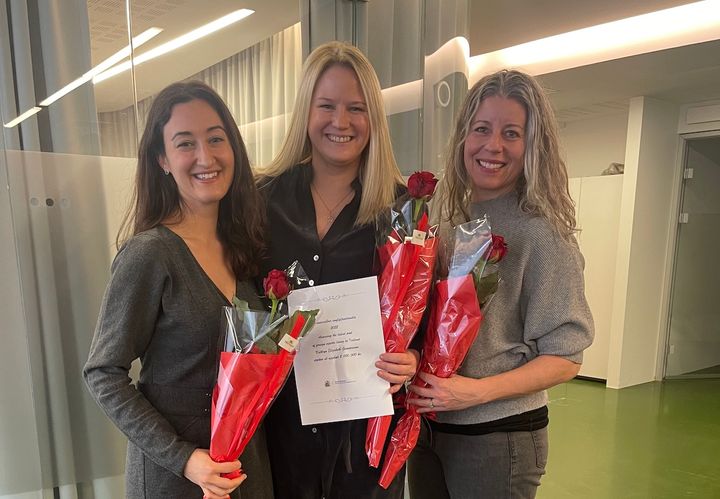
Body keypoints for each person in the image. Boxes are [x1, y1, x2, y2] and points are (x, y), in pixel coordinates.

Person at [407, 69, 594, 499]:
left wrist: (475, 392)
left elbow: (566, 357)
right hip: (429, 427)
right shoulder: (444, 218)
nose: (493, 146)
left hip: (498, 436)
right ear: (463, 138)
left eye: (511, 133)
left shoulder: (541, 232)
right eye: (482, 129)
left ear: (532, 146)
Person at [83, 81, 273, 499]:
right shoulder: (150, 253)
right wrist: (184, 458)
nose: (206, 157)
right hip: (177, 479)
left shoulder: (242, 248)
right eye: (185, 144)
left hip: (244, 471)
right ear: (162, 160)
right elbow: (103, 373)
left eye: (216, 139)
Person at [256, 41, 416, 499]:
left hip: (363, 435)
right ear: (306, 111)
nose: (340, 122)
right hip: (280, 425)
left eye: (356, 108)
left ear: (374, 119)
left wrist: (414, 359)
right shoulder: (262, 199)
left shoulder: (403, 208)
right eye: (326, 106)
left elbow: (419, 314)